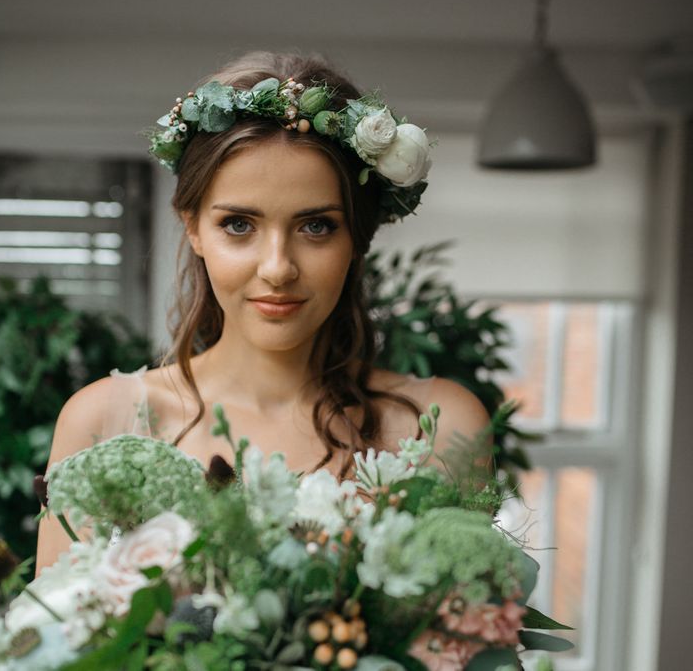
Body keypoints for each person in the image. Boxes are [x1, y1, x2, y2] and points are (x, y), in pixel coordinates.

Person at [36, 50, 490, 576]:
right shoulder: (102, 422)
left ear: (359, 239)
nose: (277, 269)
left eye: (316, 226)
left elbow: (476, 637)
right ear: (193, 225)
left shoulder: (439, 428)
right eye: (238, 225)